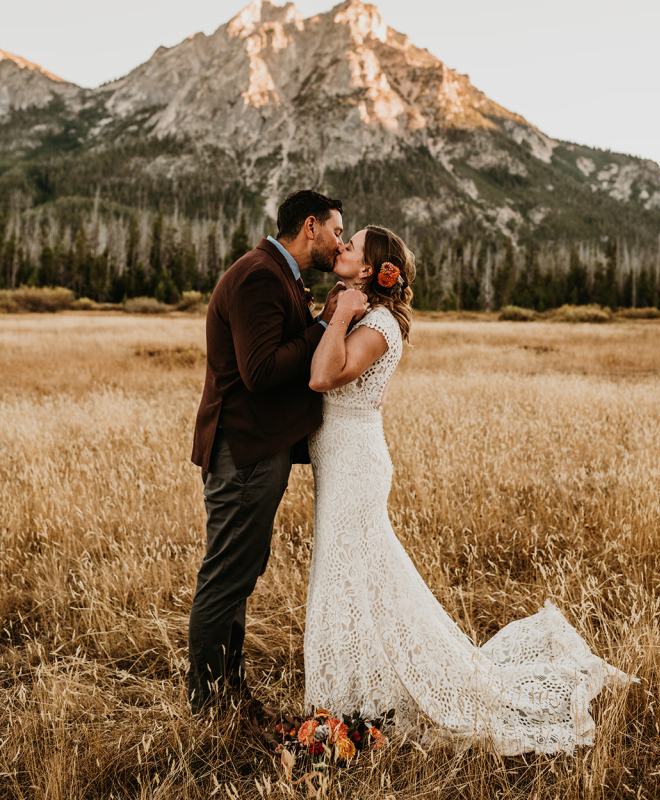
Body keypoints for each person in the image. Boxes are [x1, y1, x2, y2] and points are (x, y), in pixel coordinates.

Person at [304, 224, 636, 755]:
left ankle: (358, 704)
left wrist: (340, 314)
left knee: (353, 575)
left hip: (356, 463)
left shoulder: (379, 324)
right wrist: (336, 311)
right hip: (338, 458)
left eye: (352, 245)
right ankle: (358, 694)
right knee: (355, 577)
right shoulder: (363, 311)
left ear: (369, 270)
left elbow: (322, 377)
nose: (340, 247)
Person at [187, 190, 347, 716]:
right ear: (310, 227)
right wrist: (323, 326)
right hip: (245, 451)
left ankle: (228, 693)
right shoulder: (259, 275)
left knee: (240, 570)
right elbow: (258, 372)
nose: (340, 241)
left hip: (256, 449)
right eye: (336, 231)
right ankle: (207, 702)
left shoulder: (277, 274)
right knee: (227, 574)